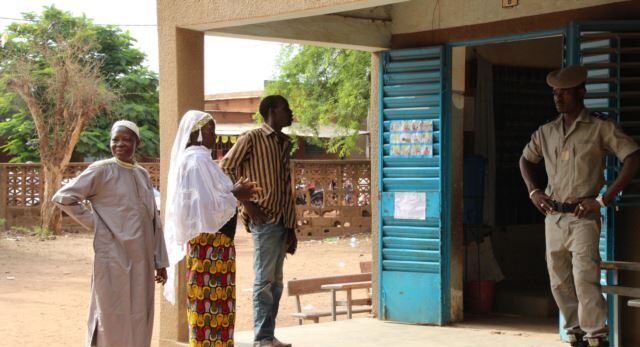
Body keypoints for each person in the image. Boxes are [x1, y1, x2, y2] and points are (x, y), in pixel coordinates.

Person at [519, 65, 640, 347]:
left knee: (585, 278)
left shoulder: (600, 128)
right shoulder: (546, 131)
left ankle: (596, 337)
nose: (558, 98)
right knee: (559, 281)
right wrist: (533, 191)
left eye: (564, 92)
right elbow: (525, 160)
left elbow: (633, 157)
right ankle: (575, 336)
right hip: (553, 216)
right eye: (555, 93)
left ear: (581, 92)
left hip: (582, 215)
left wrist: (602, 200)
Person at [52, 120, 169, 347]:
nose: (120, 144)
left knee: (140, 315)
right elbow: (63, 198)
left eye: (126, 139)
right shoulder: (101, 170)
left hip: (142, 261)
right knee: (111, 314)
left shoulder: (142, 174)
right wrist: (99, 225)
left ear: (137, 142)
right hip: (112, 257)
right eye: (116, 139)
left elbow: (153, 220)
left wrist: (159, 261)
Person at [163, 110, 258, 347]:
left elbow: (213, 198)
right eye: (210, 130)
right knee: (209, 313)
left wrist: (233, 192)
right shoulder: (195, 162)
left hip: (217, 248)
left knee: (219, 312)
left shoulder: (201, 160)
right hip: (209, 248)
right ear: (196, 132)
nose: (214, 136)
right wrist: (236, 193)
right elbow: (203, 205)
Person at [220, 95, 297, 347]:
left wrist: (291, 228)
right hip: (263, 219)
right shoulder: (251, 138)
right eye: (286, 109)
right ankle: (262, 339)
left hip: (281, 222)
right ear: (273, 111)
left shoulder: (282, 142)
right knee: (264, 281)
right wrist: (247, 204)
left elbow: (286, 188)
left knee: (275, 282)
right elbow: (226, 168)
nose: (291, 113)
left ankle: (268, 335)